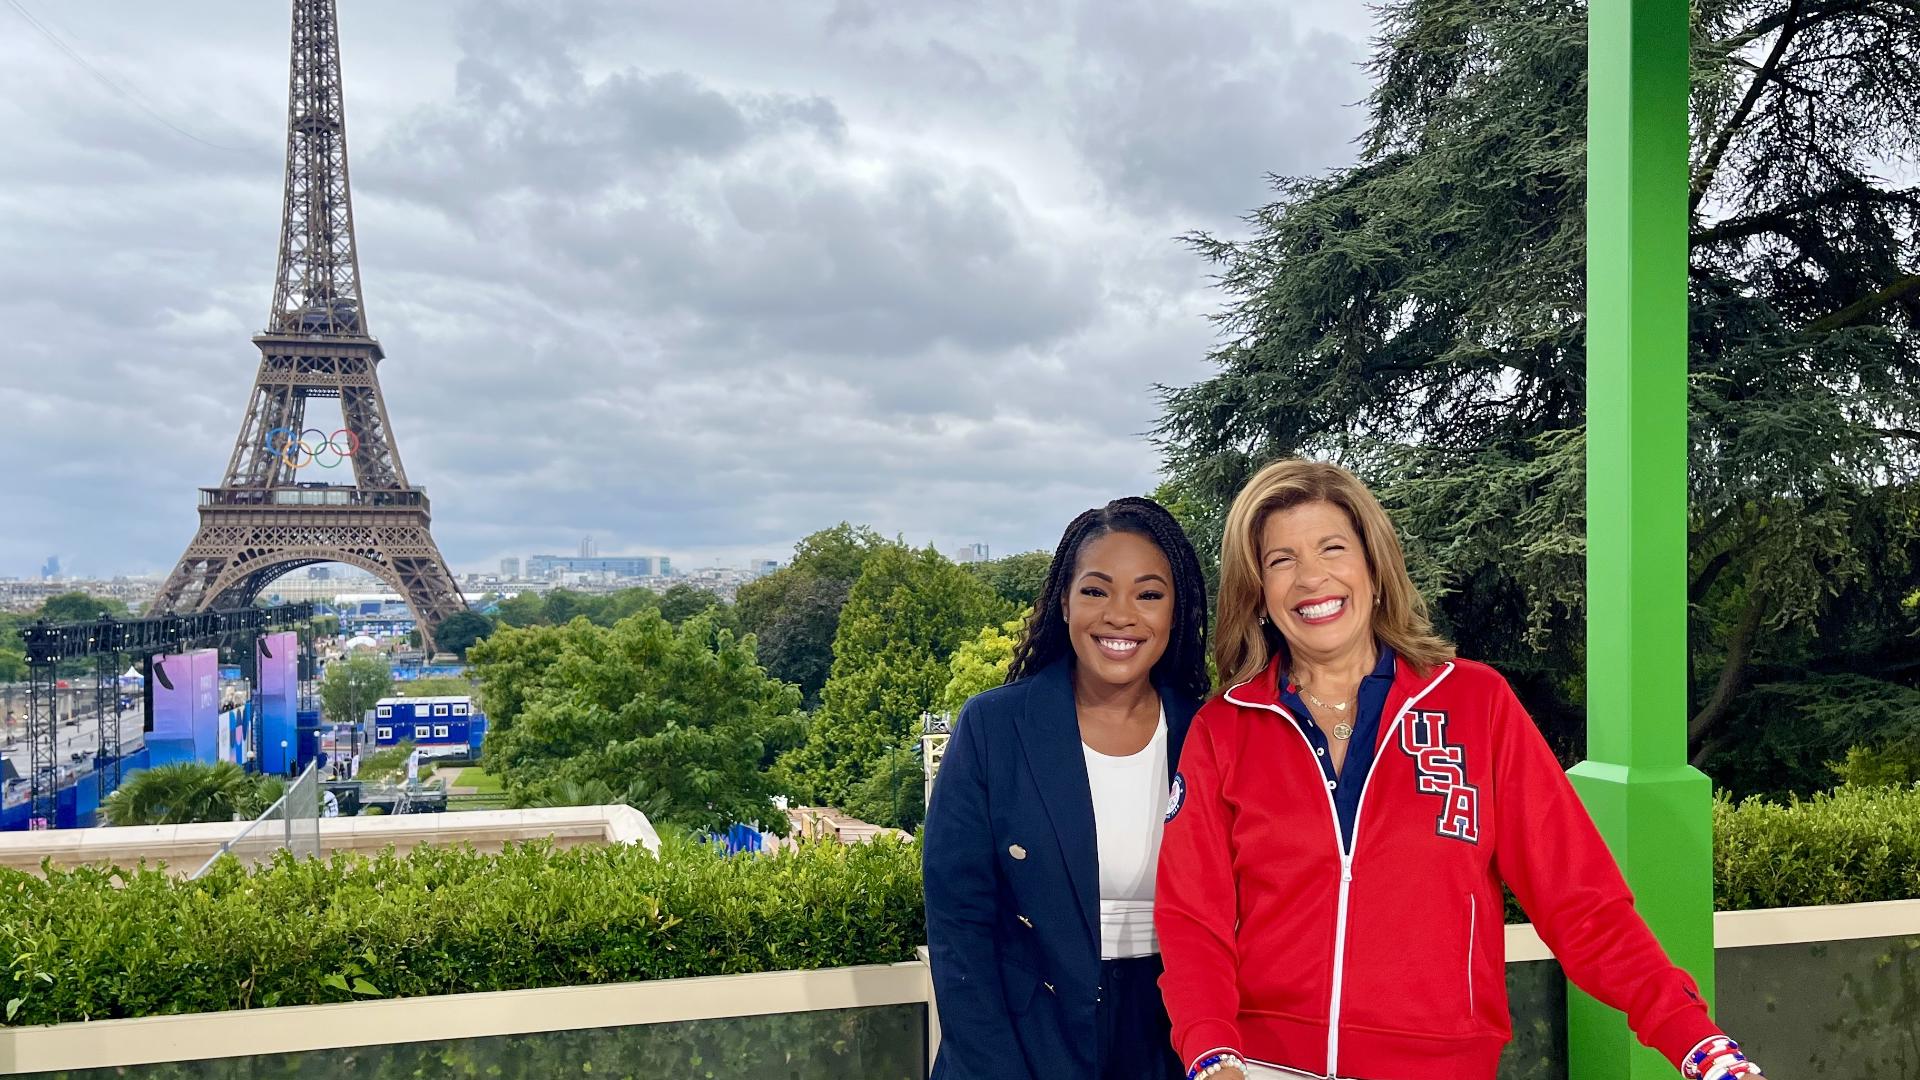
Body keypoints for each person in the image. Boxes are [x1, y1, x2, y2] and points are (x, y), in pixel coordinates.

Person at [1156, 459, 1763, 1080]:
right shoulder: (1224, 730)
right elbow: (1191, 921)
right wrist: (1211, 1055)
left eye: (1331, 548)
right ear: (1257, 591)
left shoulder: (1479, 705)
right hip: (1263, 1067)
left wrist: (1700, 1044)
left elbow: (1582, 903)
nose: (1311, 577)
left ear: (1374, 566)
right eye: (1280, 560)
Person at [924, 497, 1212, 1080]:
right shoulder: (994, 727)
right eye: (1096, 590)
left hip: (1173, 1033)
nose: (1121, 615)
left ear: (1176, 612)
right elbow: (960, 926)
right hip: (1022, 1034)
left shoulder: (1209, 734)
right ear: (1064, 601)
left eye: (1149, 594)